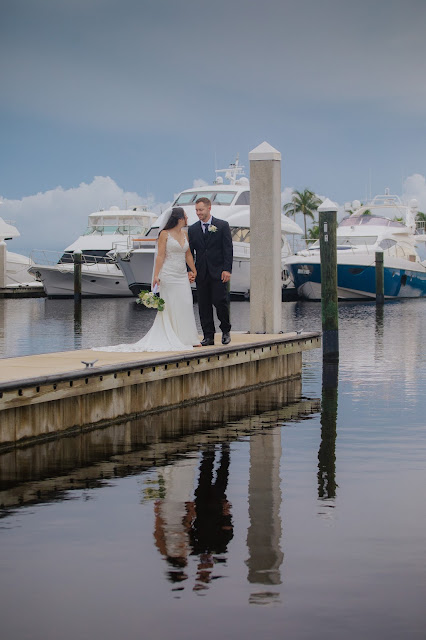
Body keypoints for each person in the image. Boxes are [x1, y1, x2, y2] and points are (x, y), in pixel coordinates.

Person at [94, 207, 200, 352]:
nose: (188, 219)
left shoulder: (185, 234)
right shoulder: (164, 234)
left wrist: (193, 270)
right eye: (186, 216)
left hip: (181, 274)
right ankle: (174, 337)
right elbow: (160, 256)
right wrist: (156, 275)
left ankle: (189, 338)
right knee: (171, 305)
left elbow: (187, 254)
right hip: (168, 274)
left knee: (186, 303)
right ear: (179, 219)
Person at [188, 197, 233, 346]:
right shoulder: (193, 229)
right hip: (201, 273)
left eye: (201, 210)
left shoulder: (222, 225)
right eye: (196, 210)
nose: (198, 213)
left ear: (209, 208)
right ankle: (209, 336)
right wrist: (190, 270)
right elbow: (189, 253)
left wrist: (227, 269)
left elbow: (228, 249)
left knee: (220, 302)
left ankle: (226, 330)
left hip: (219, 272)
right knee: (204, 306)